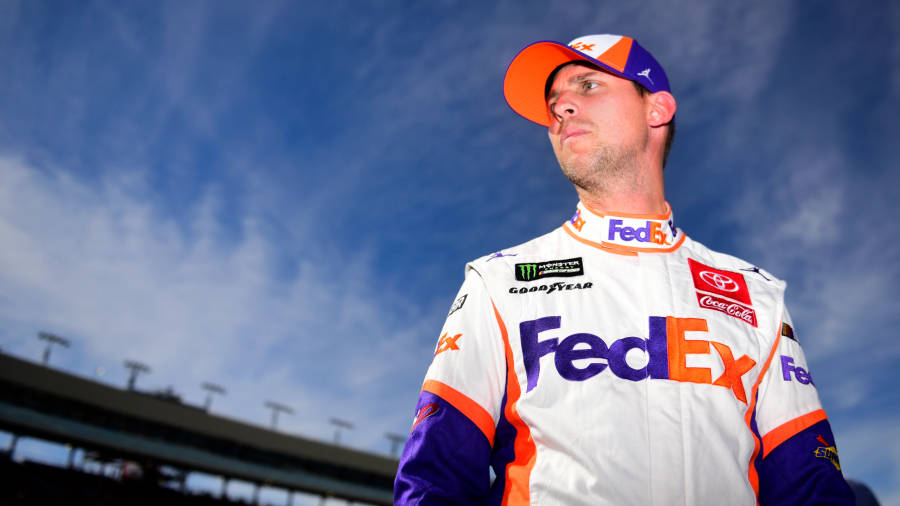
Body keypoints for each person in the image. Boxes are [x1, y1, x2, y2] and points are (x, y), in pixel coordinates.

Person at [394, 34, 854, 505]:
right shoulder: (499, 282)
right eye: (553, 102)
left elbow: (810, 485)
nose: (561, 109)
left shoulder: (757, 297)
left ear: (656, 109)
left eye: (588, 86)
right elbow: (435, 478)